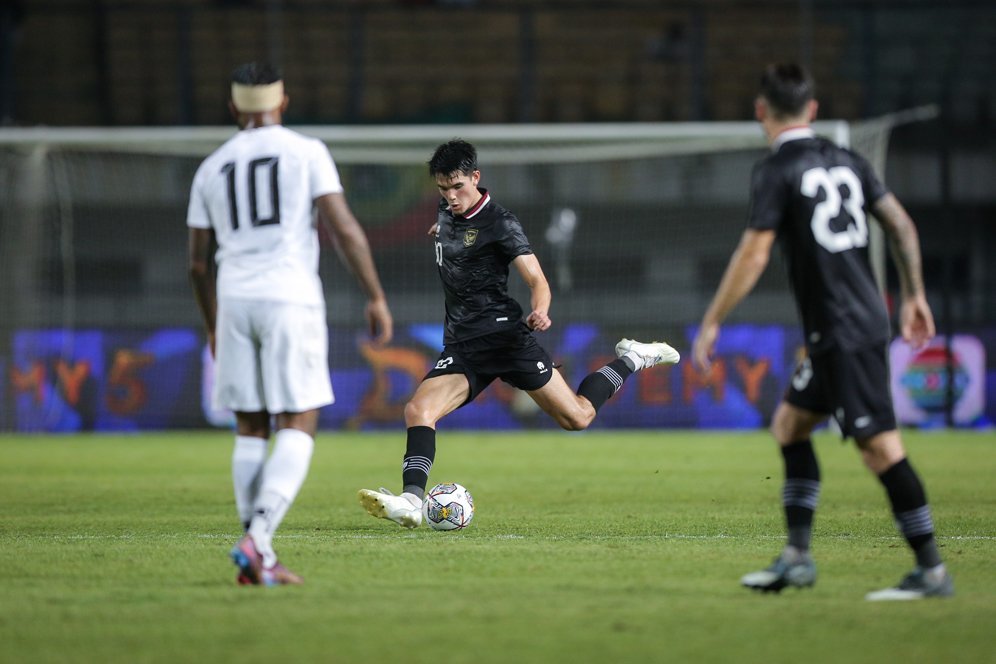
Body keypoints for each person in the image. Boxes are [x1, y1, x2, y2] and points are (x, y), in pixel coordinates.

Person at [691, 63, 952, 601]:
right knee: (789, 426)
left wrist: (714, 318)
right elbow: (901, 224)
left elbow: (755, 252)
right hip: (851, 323)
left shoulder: (776, 169)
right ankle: (797, 559)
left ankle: (931, 572)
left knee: (880, 449)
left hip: (843, 329)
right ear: (813, 110)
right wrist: (916, 294)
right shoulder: (849, 160)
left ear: (761, 111)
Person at [358, 139, 679, 527]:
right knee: (418, 410)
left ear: (475, 177)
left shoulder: (501, 222)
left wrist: (540, 311)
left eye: (458, 187)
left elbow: (536, 278)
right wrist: (441, 226)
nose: (452, 196)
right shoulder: (446, 213)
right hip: (463, 345)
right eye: (444, 190)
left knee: (577, 418)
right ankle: (411, 501)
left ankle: (633, 357)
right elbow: (450, 226)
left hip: (505, 339)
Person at [187, 62, 393, 585]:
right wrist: (374, 295)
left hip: (233, 297)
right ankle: (257, 541)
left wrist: (213, 324)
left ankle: (260, 554)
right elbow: (343, 229)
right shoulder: (306, 152)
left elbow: (195, 262)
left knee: (251, 426)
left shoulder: (211, 167)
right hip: (289, 296)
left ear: (234, 109)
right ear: (283, 103)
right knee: (297, 421)